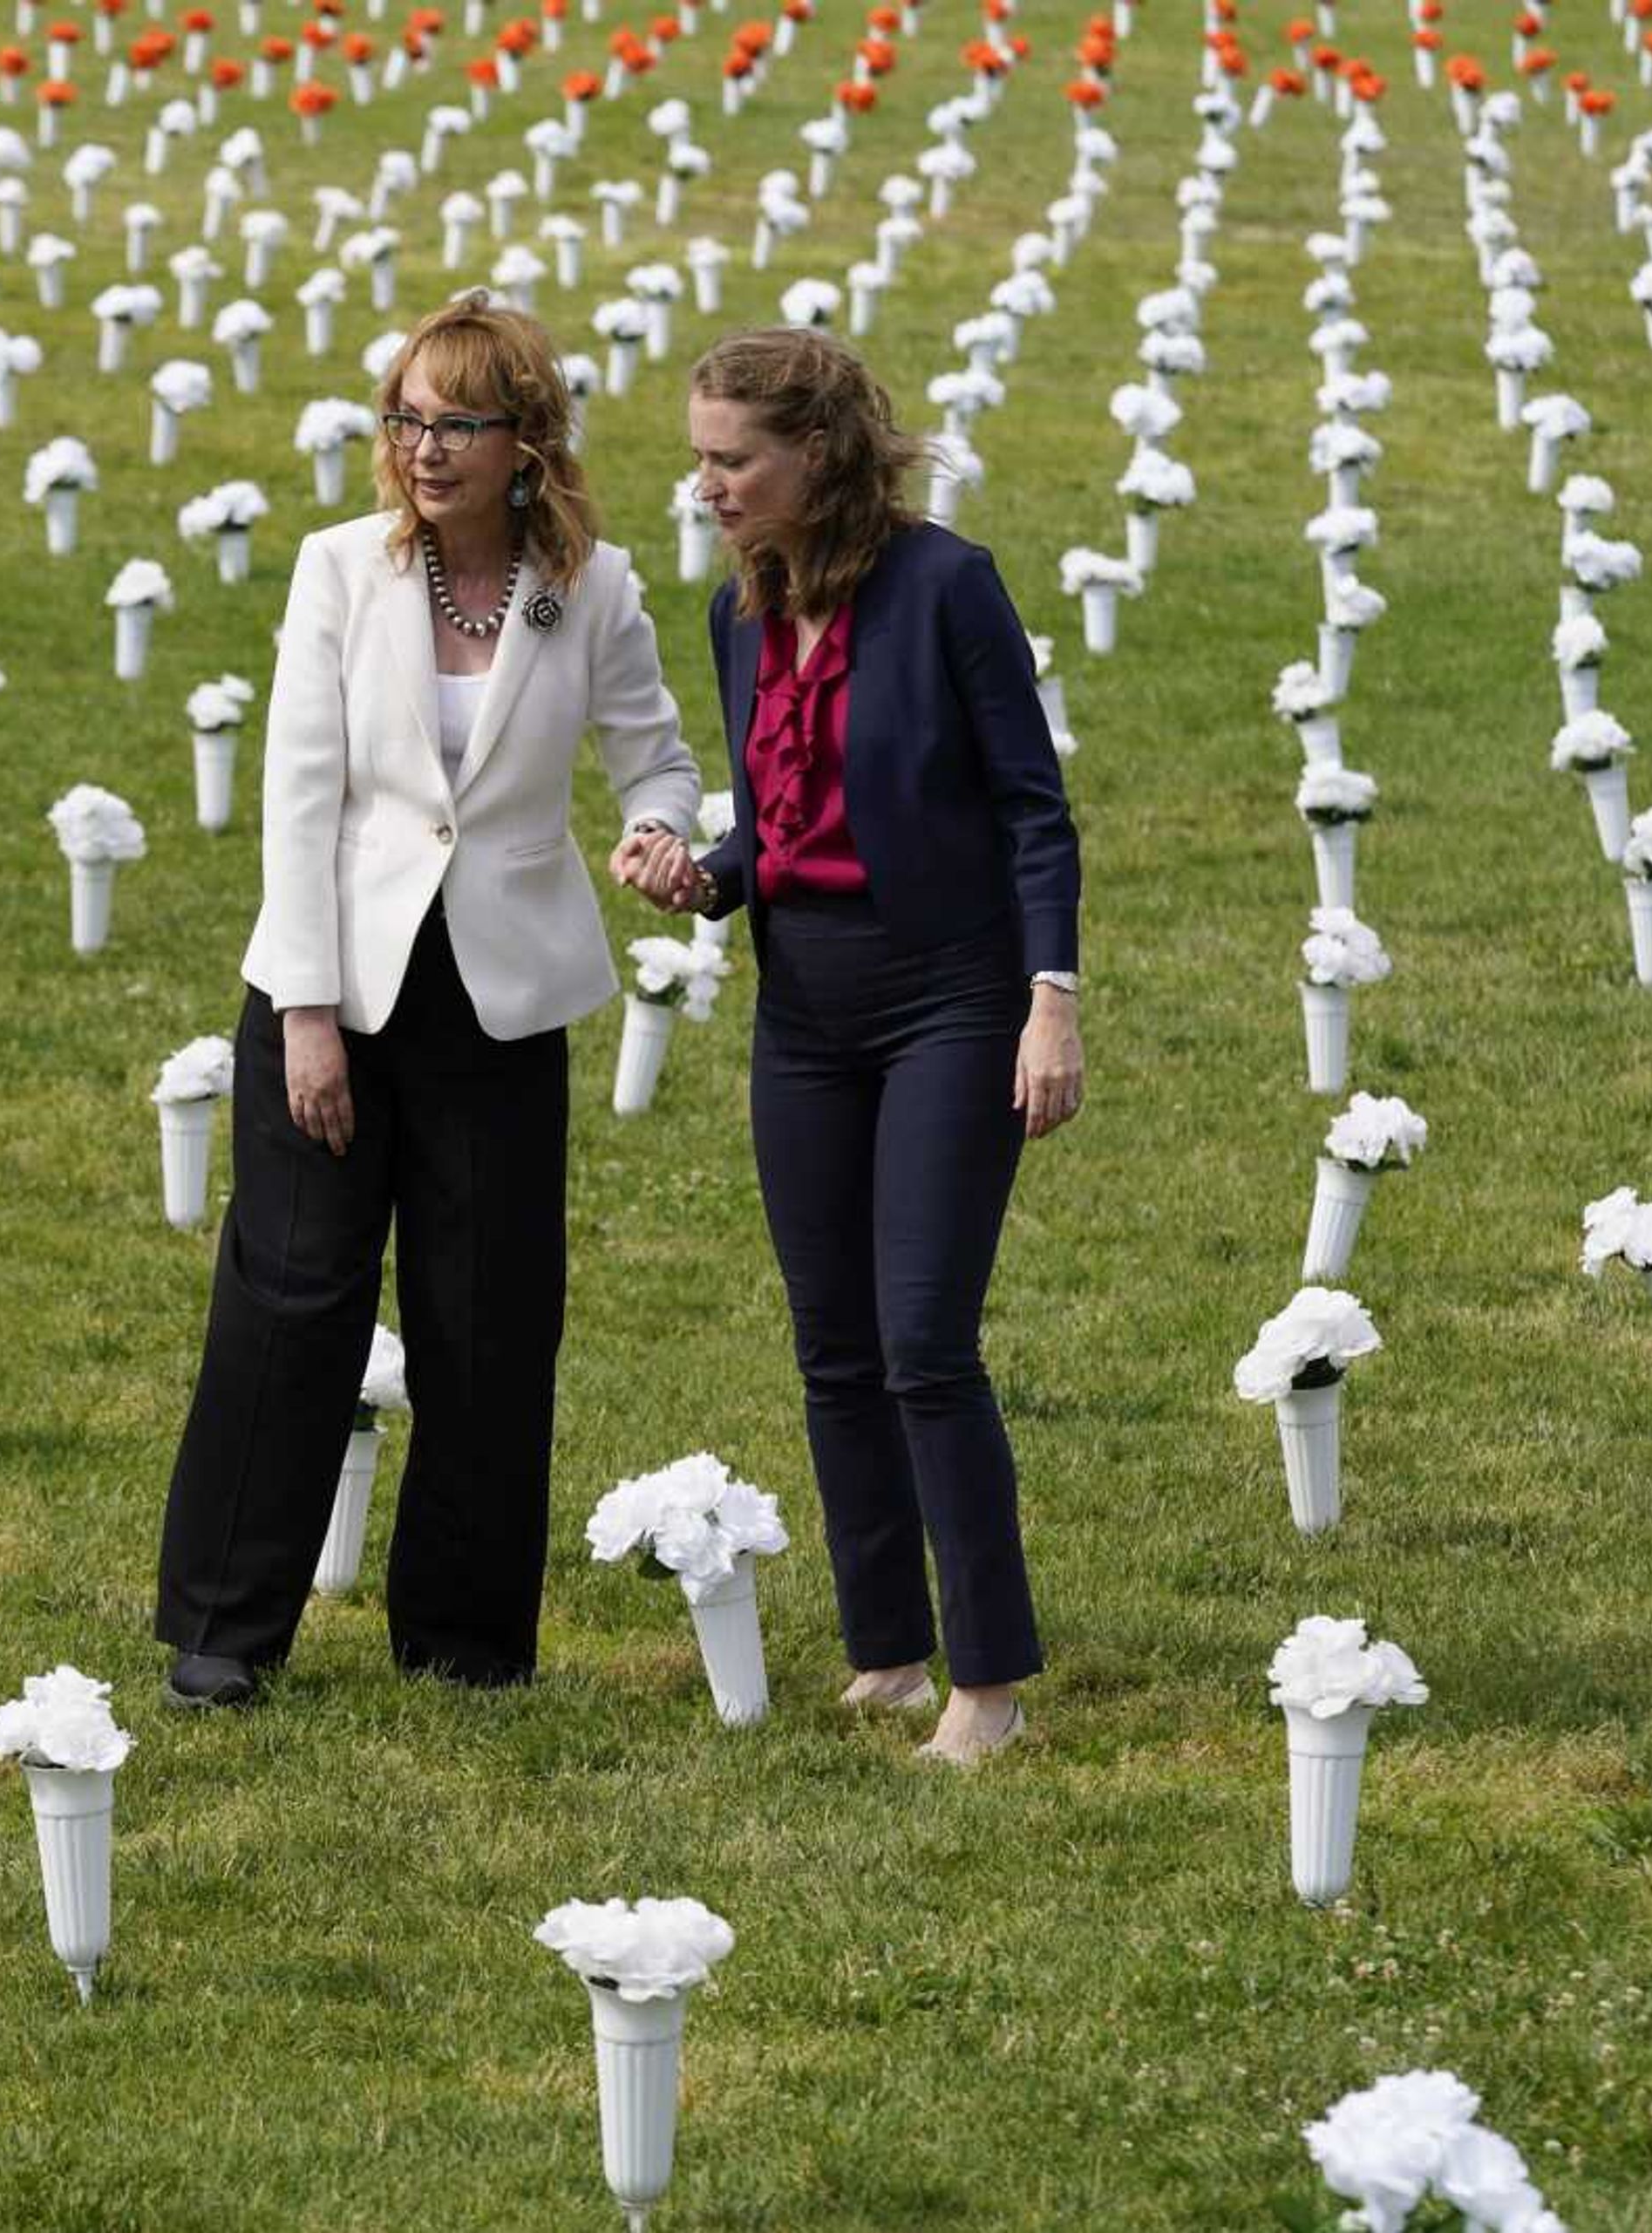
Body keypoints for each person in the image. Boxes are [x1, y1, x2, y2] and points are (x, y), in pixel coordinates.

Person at [152, 295, 704, 1705]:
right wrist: (312, 1016)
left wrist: (658, 832)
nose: (422, 446)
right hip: (333, 981)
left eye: (456, 420)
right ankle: (223, 1628)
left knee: (490, 1315)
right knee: (289, 1296)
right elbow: (300, 800)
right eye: (405, 417)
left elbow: (659, 761)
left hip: (504, 1002)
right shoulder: (339, 571)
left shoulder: (596, 589)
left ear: (527, 439)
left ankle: (465, 1640)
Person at [660, 325, 1085, 1765]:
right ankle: (888, 1650)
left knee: (922, 1344)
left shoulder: (946, 587)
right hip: (805, 1011)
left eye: (734, 459)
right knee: (833, 1344)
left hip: (952, 1002)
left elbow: (1035, 808)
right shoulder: (741, 610)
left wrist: (1052, 996)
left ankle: (991, 1680)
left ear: (820, 454)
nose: (707, 484)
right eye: (703, 458)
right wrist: (703, 873)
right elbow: (771, 823)